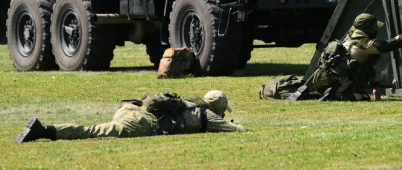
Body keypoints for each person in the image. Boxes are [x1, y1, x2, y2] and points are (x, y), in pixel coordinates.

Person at [15, 90, 245, 142]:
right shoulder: (208, 116)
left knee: (100, 127)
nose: (225, 113)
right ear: (218, 107)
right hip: (141, 123)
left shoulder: (188, 102)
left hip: (130, 108)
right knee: (92, 131)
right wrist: (234, 124)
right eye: (224, 109)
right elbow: (238, 130)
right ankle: (44, 131)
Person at [313, 13, 402, 101]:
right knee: (363, 96)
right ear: (368, 29)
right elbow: (390, 44)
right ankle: (335, 96)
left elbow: (368, 67)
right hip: (333, 84)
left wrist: (375, 87)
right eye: (375, 28)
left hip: (320, 81)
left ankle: (331, 92)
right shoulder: (365, 44)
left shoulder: (348, 38)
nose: (377, 30)